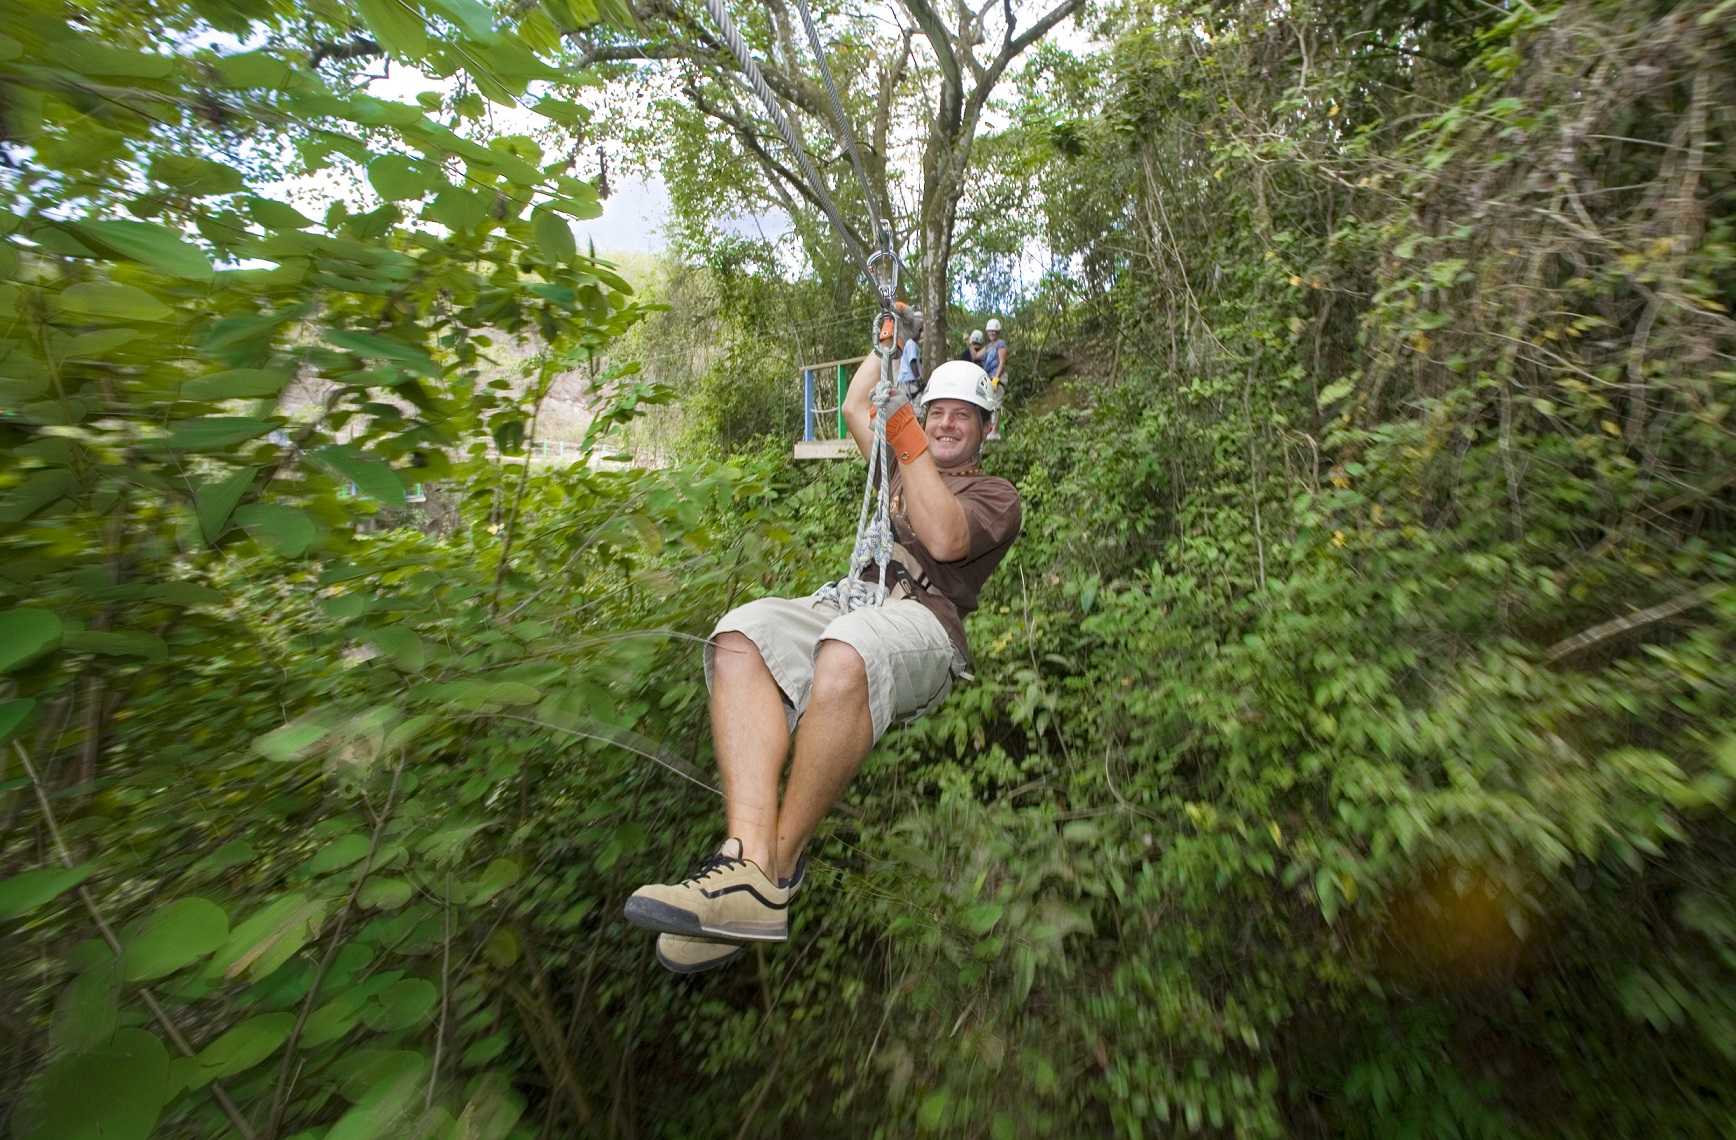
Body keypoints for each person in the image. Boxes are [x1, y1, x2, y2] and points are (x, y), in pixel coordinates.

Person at [624, 309, 1021, 974]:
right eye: (937, 411)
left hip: (920, 624)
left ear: (984, 429)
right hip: (852, 601)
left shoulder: (996, 494)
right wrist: (884, 345)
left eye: (963, 414)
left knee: (846, 653)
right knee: (739, 638)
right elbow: (852, 407)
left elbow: (948, 538)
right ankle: (745, 866)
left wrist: (906, 434)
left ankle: (769, 877)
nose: (946, 422)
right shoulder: (900, 465)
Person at [895, 308, 923, 400]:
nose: (919, 334)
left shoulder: (907, 343)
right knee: (916, 408)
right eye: (918, 330)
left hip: (904, 383)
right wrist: (919, 380)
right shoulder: (911, 343)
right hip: (909, 382)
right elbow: (912, 363)